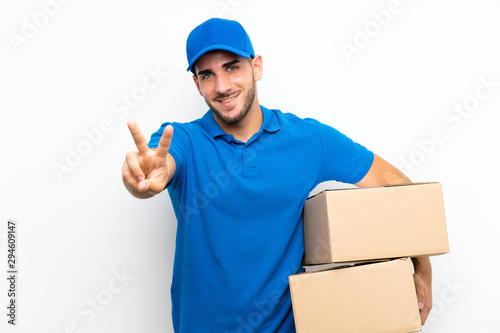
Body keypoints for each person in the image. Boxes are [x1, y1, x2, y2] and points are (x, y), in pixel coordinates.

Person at [122, 18, 432, 333]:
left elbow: (397, 186)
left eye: (232, 67)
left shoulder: (309, 140)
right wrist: (142, 181)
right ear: (197, 84)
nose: (223, 86)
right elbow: (155, 171)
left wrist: (422, 269)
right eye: (208, 75)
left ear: (256, 67)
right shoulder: (183, 141)